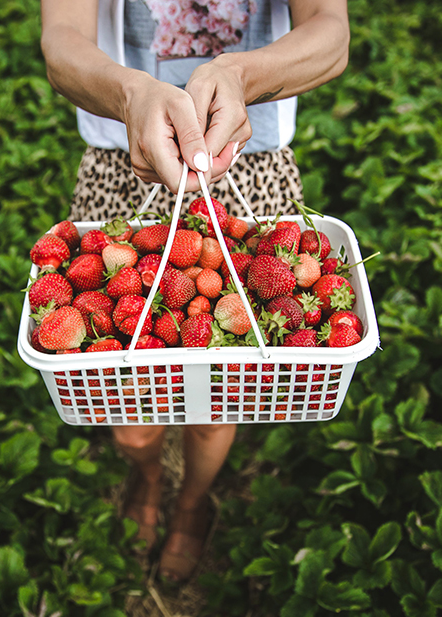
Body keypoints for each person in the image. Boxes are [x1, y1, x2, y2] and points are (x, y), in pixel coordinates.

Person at [40, 0, 350, 583]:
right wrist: (132, 94)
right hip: (126, 164)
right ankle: (148, 473)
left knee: (219, 400)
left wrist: (240, 75)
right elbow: (61, 42)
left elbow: (332, 34)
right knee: (129, 406)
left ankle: (191, 502)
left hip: (250, 167)